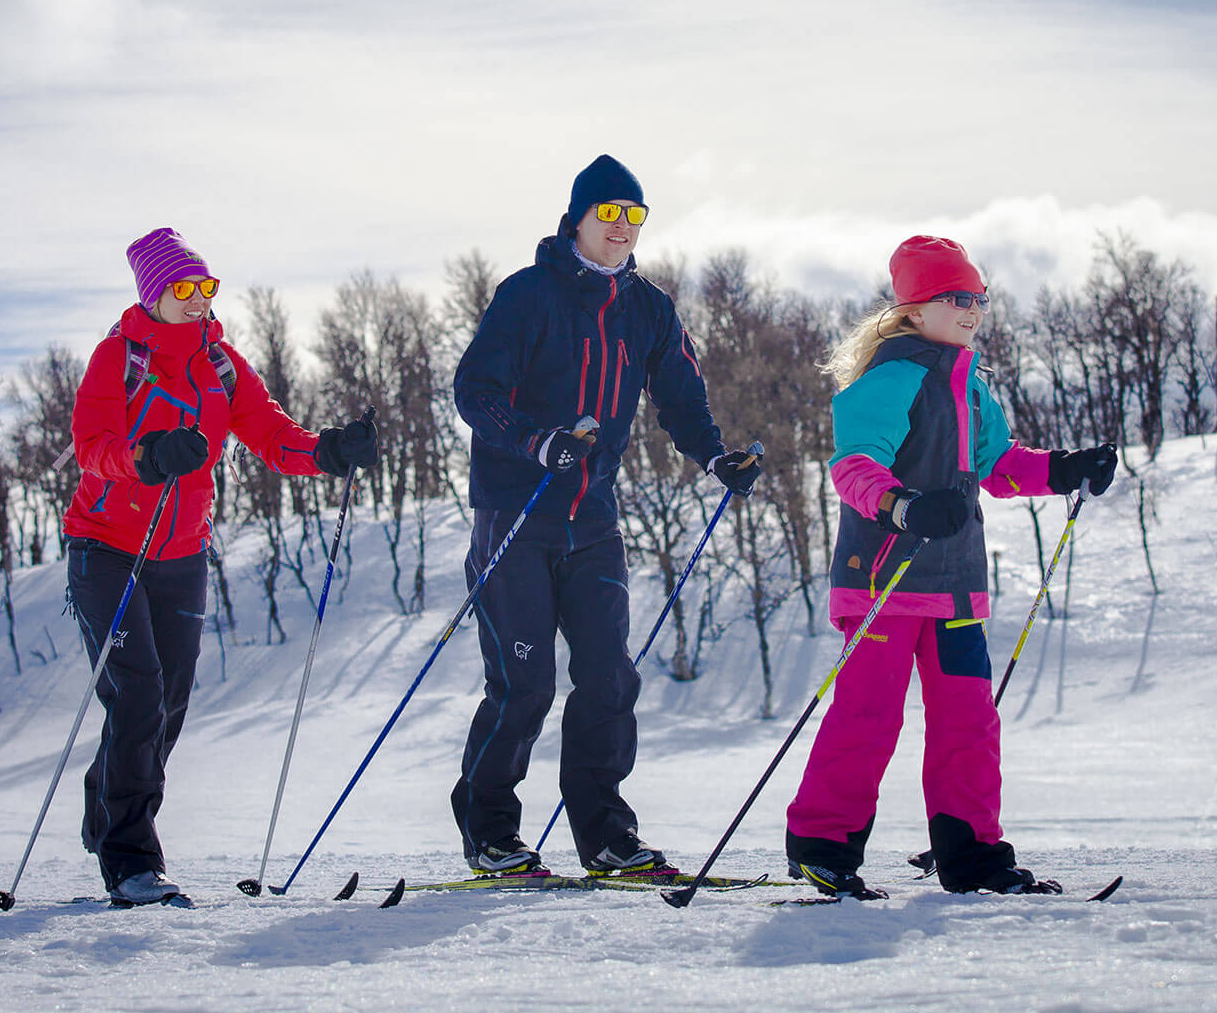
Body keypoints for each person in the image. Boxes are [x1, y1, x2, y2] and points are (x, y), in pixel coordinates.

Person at [452, 154, 761, 876]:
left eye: (634, 215)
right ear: (578, 219)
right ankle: (492, 832)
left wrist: (715, 459)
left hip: (593, 518)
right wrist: (538, 442)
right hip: (515, 515)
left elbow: (681, 397)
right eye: (609, 214)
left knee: (608, 678)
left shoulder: (648, 308)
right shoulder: (527, 295)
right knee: (523, 684)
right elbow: (475, 390)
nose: (622, 228)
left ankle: (607, 837)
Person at [783, 235, 1117, 899]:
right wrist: (902, 506)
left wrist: (1065, 468)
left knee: (969, 721)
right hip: (885, 580)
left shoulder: (970, 386)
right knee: (869, 715)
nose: (972, 309)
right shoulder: (889, 379)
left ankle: (973, 856)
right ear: (913, 310)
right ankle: (823, 846)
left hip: (957, 587)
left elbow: (1000, 466)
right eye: (955, 298)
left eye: (979, 298)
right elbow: (853, 468)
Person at [63, 227, 377, 905]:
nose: (199, 299)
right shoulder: (119, 358)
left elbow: (268, 431)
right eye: (185, 289)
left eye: (207, 287)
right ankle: (130, 859)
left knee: (166, 706)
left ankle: (106, 811)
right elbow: (92, 445)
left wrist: (326, 452)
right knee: (137, 696)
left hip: (181, 553)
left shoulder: (221, 364)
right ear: (155, 295)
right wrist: (146, 460)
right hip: (108, 548)